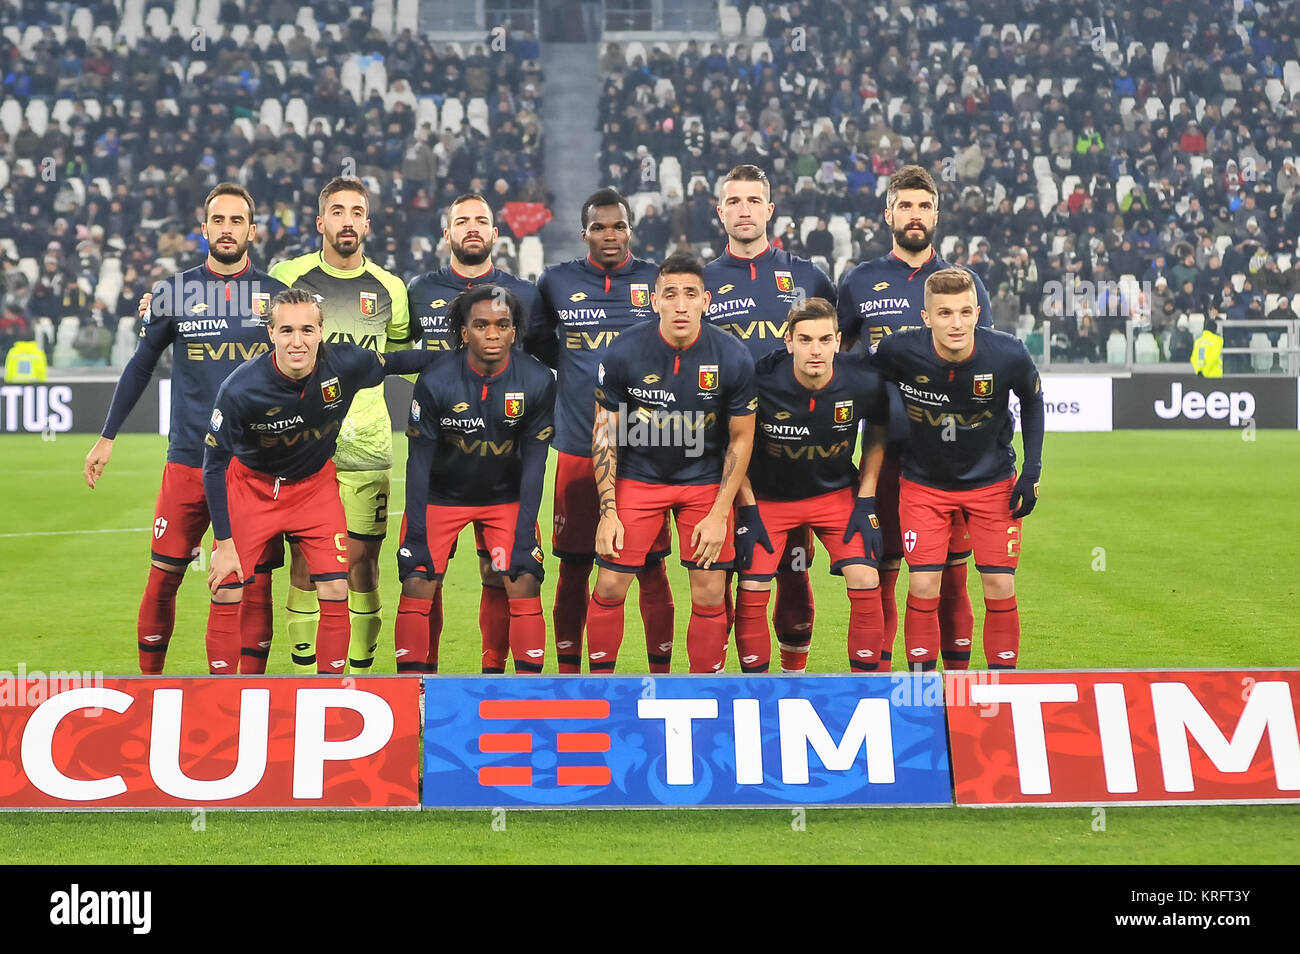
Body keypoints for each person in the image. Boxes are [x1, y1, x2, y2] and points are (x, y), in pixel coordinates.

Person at [85, 183, 288, 674]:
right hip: (188, 462)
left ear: (252, 231)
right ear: (203, 229)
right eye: (218, 220)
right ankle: (149, 691)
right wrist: (107, 435)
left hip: (253, 466)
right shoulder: (172, 293)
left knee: (250, 583)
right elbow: (140, 366)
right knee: (163, 577)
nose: (226, 229)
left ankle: (243, 696)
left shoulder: (277, 298)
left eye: (236, 221)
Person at [838, 164, 994, 673]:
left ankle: (955, 692)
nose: (914, 215)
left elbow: (984, 365)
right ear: (888, 214)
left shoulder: (962, 284)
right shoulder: (859, 282)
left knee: (949, 574)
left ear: (937, 215)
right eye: (905, 205)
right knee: (882, 568)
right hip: (884, 453)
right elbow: (837, 364)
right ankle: (881, 688)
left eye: (924, 206)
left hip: (950, 459)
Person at [202, 288, 407, 673]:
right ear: (271, 334)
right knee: (226, 587)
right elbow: (213, 467)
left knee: (335, 588)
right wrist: (224, 545)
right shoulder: (239, 388)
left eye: (307, 330)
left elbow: (401, 360)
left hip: (313, 490)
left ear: (321, 331)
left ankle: (328, 695)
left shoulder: (345, 364)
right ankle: (222, 700)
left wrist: (471, 359)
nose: (298, 341)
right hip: (252, 488)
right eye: (287, 331)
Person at [521, 187, 676, 673]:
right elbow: (542, 345)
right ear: (583, 231)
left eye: (619, 226)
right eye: (600, 227)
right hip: (576, 444)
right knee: (573, 566)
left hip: (645, 449)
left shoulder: (654, 280)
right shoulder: (556, 282)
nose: (610, 235)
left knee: (651, 566)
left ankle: (661, 677)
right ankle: (571, 680)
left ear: (631, 229)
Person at [267, 177, 414, 673]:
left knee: (362, 566)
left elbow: (394, 355)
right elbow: (256, 323)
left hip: (369, 447)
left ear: (367, 224)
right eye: (337, 211)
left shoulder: (391, 287)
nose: (346, 220)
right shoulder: (289, 275)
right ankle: (306, 681)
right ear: (320, 222)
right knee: (306, 566)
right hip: (305, 446)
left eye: (356, 212)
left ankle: (361, 678)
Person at [586, 253, 757, 673]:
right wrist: (608, 512)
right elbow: (605, 432)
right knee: (608, 584)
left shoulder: (733, 356)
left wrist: (720, 515)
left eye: (690, 295)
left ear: (706, 301)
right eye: (671, 295)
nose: (681, 305)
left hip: (702, 481)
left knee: (710, 592)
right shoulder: (625, 352)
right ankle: (600, 689)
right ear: (654, 301)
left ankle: (704, 693)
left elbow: (741, 437)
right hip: (640, 477)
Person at [871, 268, 1044, 670]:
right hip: (922, 485)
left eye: (965, 312)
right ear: (926, 317)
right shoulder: (898, 351)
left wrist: (1032, 472)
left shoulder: (1007, 353)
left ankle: (1002, 688)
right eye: (945, 313)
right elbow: (863, 388)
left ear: (978, 313)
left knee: (999, 584)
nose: (956, 323)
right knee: (923, 584)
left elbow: (1033, 401)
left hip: (992, 483)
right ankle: (923, 689)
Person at [704, 164, 836, 673]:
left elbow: (832, 352)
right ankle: (724, 686)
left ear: (769, 210)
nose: (743, 210)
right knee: (722, 572)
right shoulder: (703, 283)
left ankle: (791, 679)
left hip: (792, 450)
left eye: (752, 201)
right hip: (721, 450)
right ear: (721, 213)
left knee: (791, 570)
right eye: (733, 201)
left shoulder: (808, 277)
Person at [407, 192, 541, 672]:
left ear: (494, 233)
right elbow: (402, 351)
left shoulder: (524, 293)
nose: (471, 228)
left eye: (480, 221)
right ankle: (423, 685)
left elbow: (540, 360)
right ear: (447, 233)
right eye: (460, 220)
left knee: (502, 572)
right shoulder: (419, 290)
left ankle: (497, 677)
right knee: (425, 573)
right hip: (440, 463)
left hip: (505, 467)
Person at [394, 284, 556, 673]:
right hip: (440, 496)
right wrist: (416, 534)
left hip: (505, 497)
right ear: (464, 332)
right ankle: (416, 689)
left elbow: (536, 463)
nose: (493, 334)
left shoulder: (536, 380)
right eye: (481, 325)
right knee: (418, 579)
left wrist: (522, 538)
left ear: (515, 331)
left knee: (522, 577)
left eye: (503, 324)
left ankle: (514, 689)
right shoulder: (436, 379)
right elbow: (417, 462)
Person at [733, 297, 891, 672]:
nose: (815, 350)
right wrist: (749, 506)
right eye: (805, 340)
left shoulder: (863, 379)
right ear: (788, 342)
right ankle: (759, 693)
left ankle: (865, 689)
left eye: (823, 339)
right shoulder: (760, 379)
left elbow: (878, 432)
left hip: (834, 494)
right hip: (770, 498)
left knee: (867, 578)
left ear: (838, 340)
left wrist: (866, 499)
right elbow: (734, 444)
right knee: (753, 588)